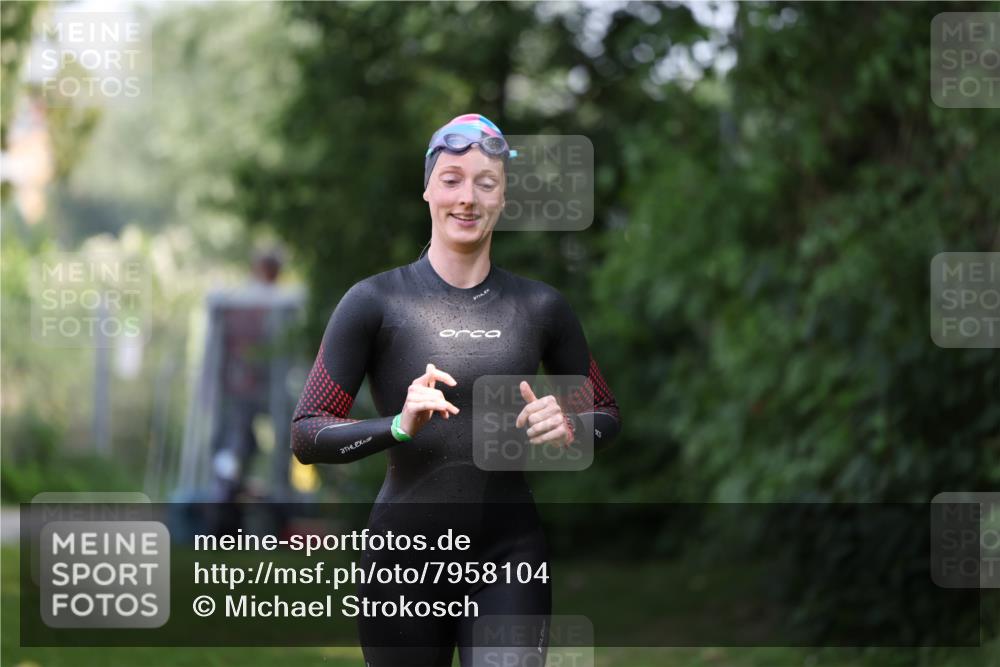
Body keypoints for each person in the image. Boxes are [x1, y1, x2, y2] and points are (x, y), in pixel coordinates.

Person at [291, 113, 621, 666]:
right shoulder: (374, 303)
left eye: (485, 182)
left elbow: (607, 413)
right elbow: (307, 432)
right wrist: (397, 426)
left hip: (508, 558)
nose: (467, 197)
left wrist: (570, 428)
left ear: (504, 197)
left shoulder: (541, 308)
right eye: (451, 179)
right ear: (427, 189)